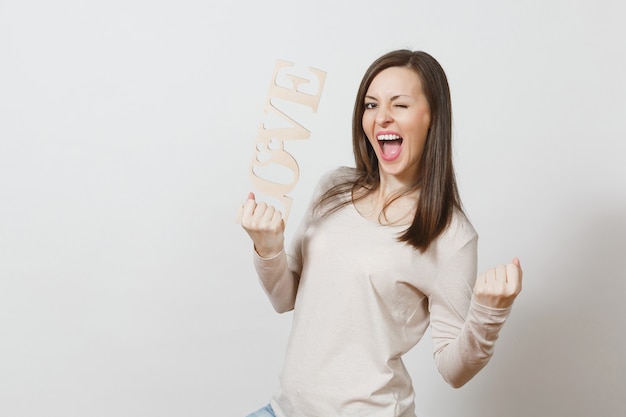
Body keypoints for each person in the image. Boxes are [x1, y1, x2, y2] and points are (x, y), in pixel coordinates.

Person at [240, 49, 522, 417]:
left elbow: (454, 371)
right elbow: (285, 298)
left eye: (399, 105)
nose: (382, 117)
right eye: (371, 105)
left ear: (432, 116)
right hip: (285, 410)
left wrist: (488, 314)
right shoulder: (334, 188)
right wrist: (268, 247)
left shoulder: (450, 234)